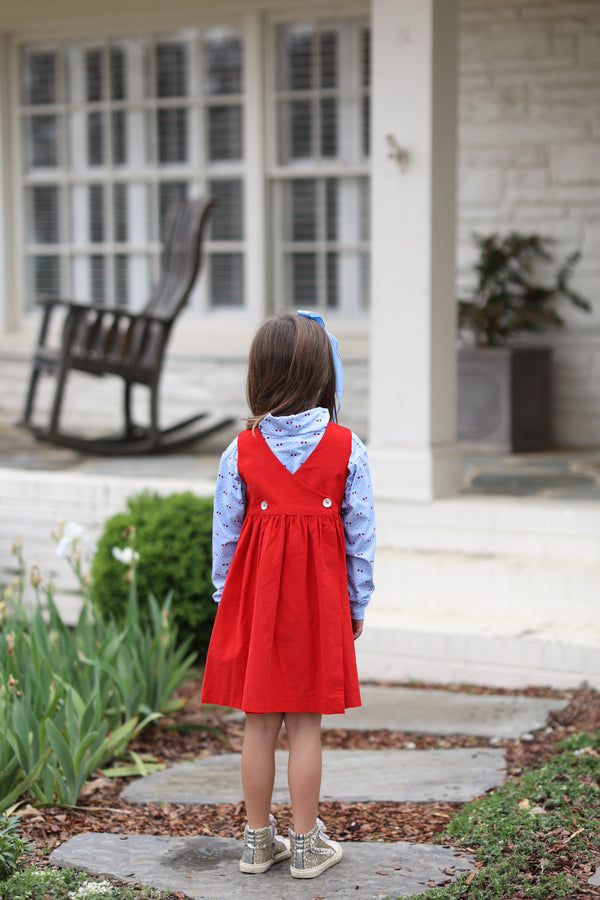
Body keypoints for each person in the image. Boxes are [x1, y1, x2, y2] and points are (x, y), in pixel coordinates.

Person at [200, 311, 375, 879]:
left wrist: (227, 598)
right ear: (323, 373)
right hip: (319, 605)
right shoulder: (349, 449)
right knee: (304, 725)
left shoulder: (240, 452)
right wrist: (357, 602)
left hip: (255, 603)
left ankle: (256, 843)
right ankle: (304, 846)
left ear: (261, 374)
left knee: (257, 722)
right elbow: (361, 536)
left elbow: (224, 535)